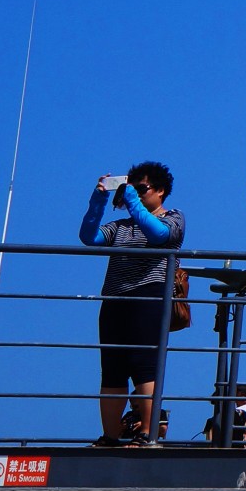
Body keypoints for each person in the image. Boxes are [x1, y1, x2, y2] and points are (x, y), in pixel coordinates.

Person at [78, 163, 185, 445]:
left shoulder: (173, 218)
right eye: (131, 188)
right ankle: (109, 436)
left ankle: (147, 433)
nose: (134, 194)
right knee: (112, 369)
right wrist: (99, 197)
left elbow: (159, 235)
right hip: (115, 299)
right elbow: (89, 236)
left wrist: (132, 201)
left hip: (149, 296)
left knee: (143, 366)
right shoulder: (120, 227)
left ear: (160, 191)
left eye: (142, 189)